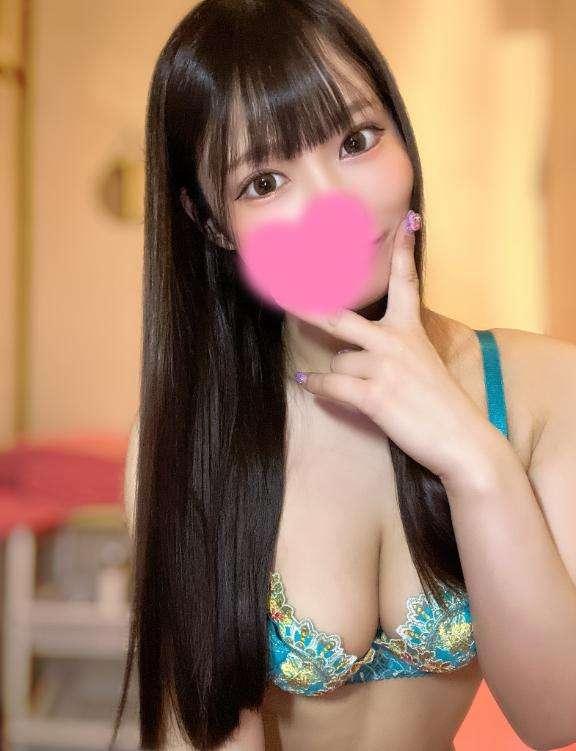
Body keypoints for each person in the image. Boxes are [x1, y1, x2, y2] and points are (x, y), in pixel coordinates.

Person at [111, 2, 576, 750]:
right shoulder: (189, 439)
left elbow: (556, 716)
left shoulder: (547, 387)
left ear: (404, 135)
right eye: (265, 181)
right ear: (213, 223)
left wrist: (473, 458)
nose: (333, 202)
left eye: (357, 140)